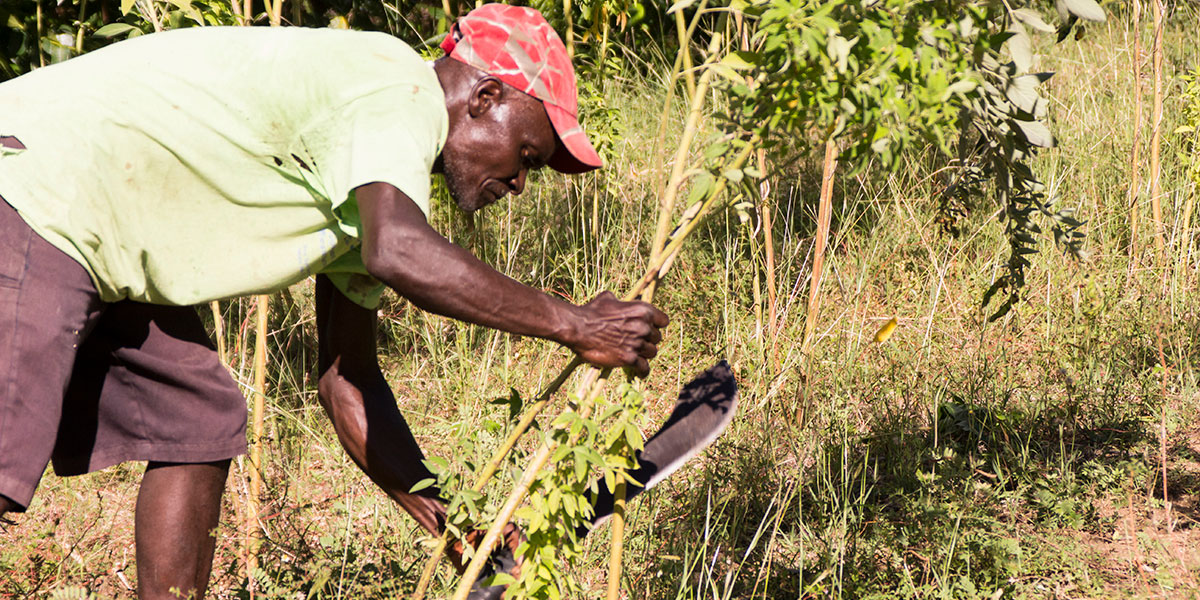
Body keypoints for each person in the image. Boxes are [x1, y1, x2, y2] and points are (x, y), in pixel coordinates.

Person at [0, 5, 667, 598]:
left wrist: (462, 531)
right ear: (484, 96)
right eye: (526, 154)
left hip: (93, 233)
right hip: (35, 186)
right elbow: (399, 253)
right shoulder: (394, 86)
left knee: (196, 419)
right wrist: (574, 324)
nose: (520, 182)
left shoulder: (373, 181)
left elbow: (349, 381)